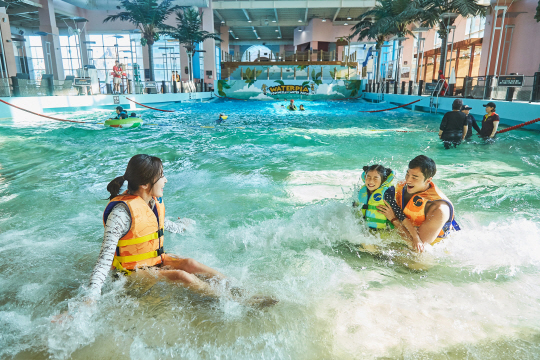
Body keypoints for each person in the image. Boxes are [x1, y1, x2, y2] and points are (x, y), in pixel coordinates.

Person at [87, 154, 277, 305]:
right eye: (161, 176)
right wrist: (90, 299)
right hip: (129, 273)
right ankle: (238, 302)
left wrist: (181, 227)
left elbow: (158, 224)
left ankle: (241, 290)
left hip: (154, 261)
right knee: (180, 275)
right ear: (145, 184)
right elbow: (103, 261)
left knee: (190, 264)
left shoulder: (150, 201)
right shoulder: (121, 214)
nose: (165, 180)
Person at [376, 155, 460, 252]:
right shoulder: (403, 186)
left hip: (433, 250)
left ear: (428, 180)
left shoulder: (439, 208)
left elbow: (417, 247)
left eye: (414, 177)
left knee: (415, 264)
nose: (408, 180)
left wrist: (393, 219)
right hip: (406, 233)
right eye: (407, 174)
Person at [352, 165, 399, 230]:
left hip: (383, 233)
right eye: (368, 177)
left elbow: (400, 216)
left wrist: (393, 218)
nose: (371, 181)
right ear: (365, 177)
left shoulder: (386, 194)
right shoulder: (360, 191)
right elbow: (353, 210)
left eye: (375, 178)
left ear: (383, 180)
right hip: (364, 230)